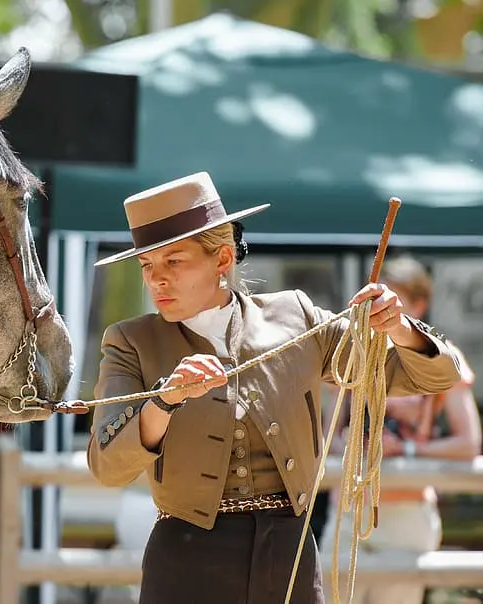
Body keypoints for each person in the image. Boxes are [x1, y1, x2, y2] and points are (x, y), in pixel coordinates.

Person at [85, 172, 463, 604]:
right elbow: (107, 466)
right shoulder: (129, 341)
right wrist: (163, 402)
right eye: (147, 266)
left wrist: (398, 327)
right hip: (186, 560)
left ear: (223, 259)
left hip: (289, 555)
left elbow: (436, 375)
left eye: (174, 261)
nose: (157, 280)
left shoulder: (294, 316)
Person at [320, 255, 480, 604]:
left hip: (407, 513)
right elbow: (328, 439)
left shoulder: (441, 358)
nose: (381, 307)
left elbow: (469, 444)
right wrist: (354, 445)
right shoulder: (353, 352)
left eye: (394, 298)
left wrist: (405, 450)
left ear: (419, 304)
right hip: (349, 510)